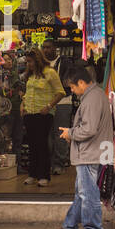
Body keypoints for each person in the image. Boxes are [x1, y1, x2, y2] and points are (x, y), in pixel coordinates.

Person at [57, 66, 112, 229]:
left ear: (81, 83)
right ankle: (70, 225)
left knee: (88, 192)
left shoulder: (92, 99)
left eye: (73, 87)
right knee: (82, 191)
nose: (72, 91)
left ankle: (93, 228)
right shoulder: (94, 96)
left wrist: (71, 133)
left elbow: (89, 129)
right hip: (94, 150)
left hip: (90, 152)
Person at [21, 48, 67, 187]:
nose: (28, 64)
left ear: (37, 60)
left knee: (42, 144)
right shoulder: (30, 75)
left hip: (43, 114)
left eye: (30, 61)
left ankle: (44, 176)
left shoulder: (50, 73)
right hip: (29, 112)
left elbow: (60, 92)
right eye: (27, 62)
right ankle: (32, 174)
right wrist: (23, 105)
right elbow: (27, 92)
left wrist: (49, 106)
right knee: (32, 144)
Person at [43, 40, 74, 175]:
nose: (45, 50)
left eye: (48, 47)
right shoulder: (41, 64)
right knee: (46, 135)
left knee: (60, 135)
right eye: (44, 47)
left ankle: (59, 164)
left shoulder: (65, 62)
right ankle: (48, 163)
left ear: (55, 48)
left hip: (62, 102)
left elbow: (68, 82)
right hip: (45, 104)